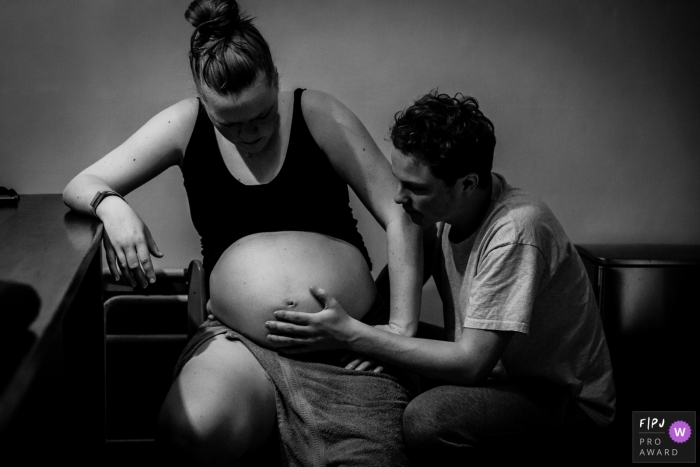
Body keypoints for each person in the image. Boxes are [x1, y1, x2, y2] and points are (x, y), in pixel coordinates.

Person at [63, 0, 422, 464]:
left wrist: (399, 332)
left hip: (348, 342)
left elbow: (402, 213)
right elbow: (81, 184)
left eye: (262, 116)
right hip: (241, 344)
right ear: (203, 100)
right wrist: (111, 205)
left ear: (275, 77)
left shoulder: (317, 113)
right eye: (229, 124)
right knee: (189, 432)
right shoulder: (184, 123)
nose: (250, 134)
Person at [267, 91, 617, 464]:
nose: (398, 199)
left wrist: (357, 335)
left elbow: (470, 364)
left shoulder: (515, 232)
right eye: (398, 180)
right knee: (363, 352)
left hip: (561, 401)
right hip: (493, 372)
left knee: (426, 420)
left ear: (466, 184)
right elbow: (382, 308)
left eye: (415, 188)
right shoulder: (443, 218)